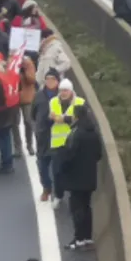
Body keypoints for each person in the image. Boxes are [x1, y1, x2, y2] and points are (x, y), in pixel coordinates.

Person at [56, 103, 102, 249]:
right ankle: (88, 237)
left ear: (76, 116)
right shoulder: (94, 133)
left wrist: (62, 166)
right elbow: (98, 155)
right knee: (87, 206)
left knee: (77, 208)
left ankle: (79, 238)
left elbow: (69, 156)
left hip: (76, 178)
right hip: (90, 178)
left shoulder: (76, 133)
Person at [48, 78, 85, 207]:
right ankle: (58, 195)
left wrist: (63, 118)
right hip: (57, 143)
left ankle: (73, 197)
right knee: (57, 171)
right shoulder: (53, 101)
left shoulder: (80, 102)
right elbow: (54, 118)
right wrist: (67, 119)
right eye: (61, 90)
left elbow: (80, 119)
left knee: (73, 172)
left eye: (66, 90)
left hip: (74, 143)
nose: (63, 93)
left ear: (71, 91)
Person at [31, 69, 61, 201]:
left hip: (58, 135)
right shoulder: (38, 96)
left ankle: (58, 192)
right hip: (42, 135)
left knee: (57, 166)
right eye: (47, 79)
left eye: (52, 79)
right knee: (42, 164)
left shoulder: (63, 96)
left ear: (57, 81)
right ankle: (46, 188)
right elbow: (33, 113)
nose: (50, 82)